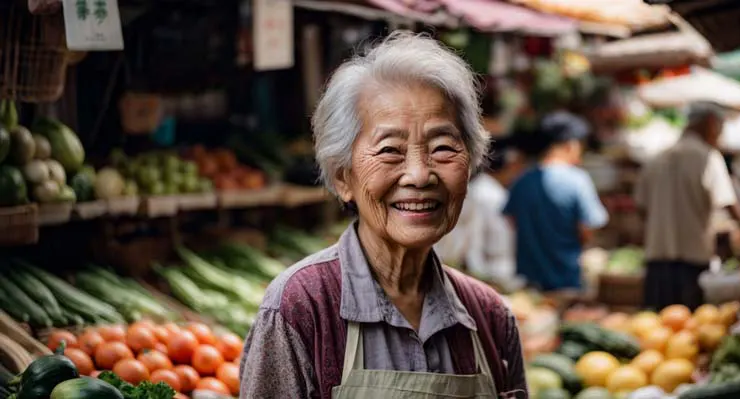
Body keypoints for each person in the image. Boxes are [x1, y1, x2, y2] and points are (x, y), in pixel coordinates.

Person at [240, 31, 526, 398]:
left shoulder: (490, 317)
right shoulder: (301, 308)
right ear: (344, 177)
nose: (420, 175)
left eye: (442, 147)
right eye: (390, 150)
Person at [635, 102, 740, 311]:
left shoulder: (656, 158)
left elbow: (641, 208)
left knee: (655, 326)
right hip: (693, 264)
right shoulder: (707, 157)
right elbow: (731, 207)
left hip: (657, 263)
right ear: (711, 124)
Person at [503, 111, 608, 292]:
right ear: (571, 145)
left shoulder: (522, 180)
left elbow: (511, 221)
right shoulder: (577, 180)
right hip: (567, 280)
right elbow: (588, 227)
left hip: (528, 283)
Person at [434, 138, 520, 290]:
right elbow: (475, 243)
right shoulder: (489, 194)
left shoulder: (479, 191)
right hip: (485, 271)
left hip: (476, 272)